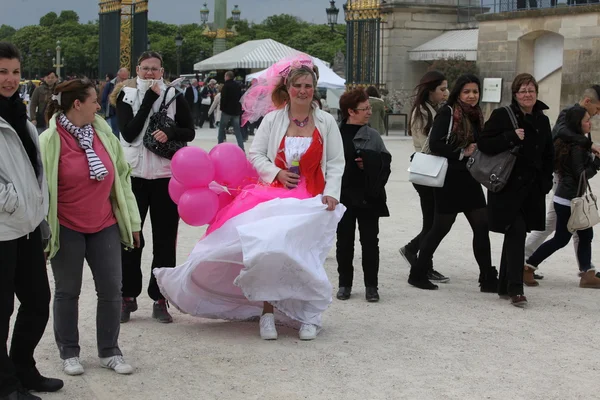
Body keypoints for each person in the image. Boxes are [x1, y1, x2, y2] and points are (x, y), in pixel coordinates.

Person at [154, 55, 345, 341]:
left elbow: (335, 161)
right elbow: (255, 154)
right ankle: (267, 311)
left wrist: (331, 193)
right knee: (267, 252)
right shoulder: (273, 119)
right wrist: (276, 173)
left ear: (314, 89)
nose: (303, 91)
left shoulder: (326, 121)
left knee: (306, 256)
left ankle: (308, 314)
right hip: (274, 196)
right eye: (298, 86)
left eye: (308, 86)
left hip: (311, 200)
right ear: (288, 88)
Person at [39, 78, 141, 376]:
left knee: (111, 289)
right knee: (67, 291)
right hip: (66, 225)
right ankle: (69, 352)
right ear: (77, 104)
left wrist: (132, 221)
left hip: (105, 223)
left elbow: (122, 177)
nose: (100, 105)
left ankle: (110, 351)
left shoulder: (103, 131)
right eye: (94, 100)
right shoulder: (49, 140)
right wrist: (43, 233)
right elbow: (42, 189)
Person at [111, 51, 195, 324]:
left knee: (165, 239)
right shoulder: (126, 95)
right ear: (137, 69)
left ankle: (160, 297)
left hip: (166, 176)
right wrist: (148, 99)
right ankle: (127, 295)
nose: (149, 73)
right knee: (131, 239)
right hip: (134, 175)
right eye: (145, 68)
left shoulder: (174, 95)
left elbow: (189, 131)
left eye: (154, 69)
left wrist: (170, 132)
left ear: (162, 71)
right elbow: (128, 132)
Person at [0, 41, 63, 400]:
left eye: (15, 72)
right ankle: (5, 385)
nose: (10, 79)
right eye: (2, 72)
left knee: (38, 302)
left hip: (24, 227)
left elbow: (34, 171)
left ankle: (21, 367)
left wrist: (35, 211)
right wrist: (12, 201)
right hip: (2, 228)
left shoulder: (19, 113)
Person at [407, 74, 497, 292]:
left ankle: (487, 277)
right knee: (440, 228)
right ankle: (417, 273)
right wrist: (461, 152)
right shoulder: (448, 113)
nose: (472, 96)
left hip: (468, 177)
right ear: (459, 93)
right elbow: (436, 144)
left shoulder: (475, 115)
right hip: (449, 178)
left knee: (481, 226)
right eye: (467, 91)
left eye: (475, 91)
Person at [478, 73, 553, 307]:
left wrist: (546, 179)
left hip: (532, 189)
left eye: (531, 90)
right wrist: (510, 137)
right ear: (515, 94)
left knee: (515, 234)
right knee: (517, 231)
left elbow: (548, 152)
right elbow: (484, 143)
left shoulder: (542, 119)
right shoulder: (503, 115)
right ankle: (516, 288)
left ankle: (503, 285)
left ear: (536, 93)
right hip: (508, 185)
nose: (527, 94)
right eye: (523, 91)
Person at [523, 85, 600, 285]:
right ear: (587, 102)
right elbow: (580, 172)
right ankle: (525, 264)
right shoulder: (571, 121)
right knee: (558, 232)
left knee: (581, 231)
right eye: (595, 111)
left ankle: (587, 272)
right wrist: (593, 155)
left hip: (570, 191)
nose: (594, 117)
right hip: (567, 191)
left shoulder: (578, 135)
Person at [336, 89, 391, 302]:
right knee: (344, 241)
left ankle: (371, 286)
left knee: (370, 242)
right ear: (350, 111)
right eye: (365, 108)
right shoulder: (335, 134)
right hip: (343, 195)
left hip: (369, 196)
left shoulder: (373, 136)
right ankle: (344, 284)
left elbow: (386, 164)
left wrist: (369, 162)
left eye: (369, 108)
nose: (369, 112)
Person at [400, 71, 449, 283]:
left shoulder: (436, 109)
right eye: (442, 89)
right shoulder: (422, 112)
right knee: (432, 221)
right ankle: (421, 261)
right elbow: (425, 144)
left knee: (433, 220)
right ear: (431, 91)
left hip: (430, 167)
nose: (446, 92)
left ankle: (416, 254)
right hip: (426, 167)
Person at [217, 71, 244, 150]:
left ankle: (220, 147)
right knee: (237, 130)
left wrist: (222, 108)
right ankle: (241, 148)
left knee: (222, 129)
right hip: (236, 111)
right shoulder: (238, 86)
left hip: (227, 111)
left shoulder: (226, 86)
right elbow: (240, 98)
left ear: (227, 76)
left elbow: (223, 99)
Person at [101, 68, 129, 139]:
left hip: (125, 113)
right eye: (122, 78)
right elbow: (104, 99)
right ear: (117, 75)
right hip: (113, 113)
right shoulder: (109, 85)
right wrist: (106, 112)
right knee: (115, 133)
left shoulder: (130, 84)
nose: (123, 81)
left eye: (126, 78)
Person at [29, 70, 58, 134]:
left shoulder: (59, 90)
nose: (50, 79)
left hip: (55, 120)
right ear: (44, 78)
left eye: (52, 77)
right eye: (48, 77)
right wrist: (33, 118)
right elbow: (33, 104)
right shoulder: (38, 89)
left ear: (56, 79)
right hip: (41, 119)